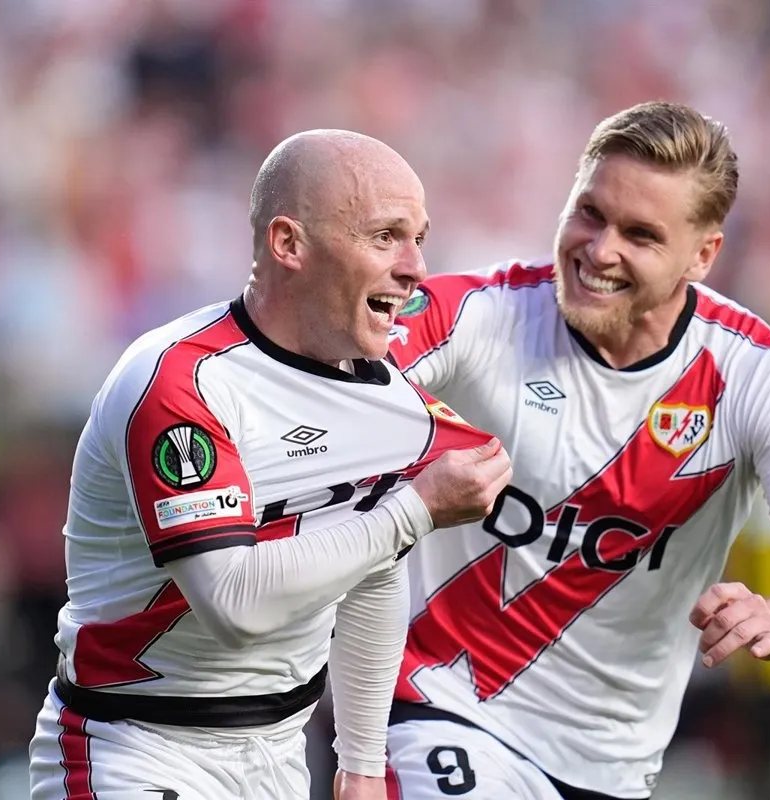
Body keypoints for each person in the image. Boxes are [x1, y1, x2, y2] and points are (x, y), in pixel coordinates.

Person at [381, 101, 770, 800]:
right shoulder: (480, 315)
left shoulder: (762, 378)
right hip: (440, 704)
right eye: (590, 213)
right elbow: (324, 384)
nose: (600, 250)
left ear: (703, 255)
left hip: (612, 766)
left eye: (640, 235)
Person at [27, 129, 513, 800]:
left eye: (418, 239)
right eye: (385, 237)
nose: (415, 267)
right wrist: (416, 509)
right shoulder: (183, 384)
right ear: (288, 244)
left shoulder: (389, 399)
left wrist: (362, 762)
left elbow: (374, 572)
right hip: (135, 746)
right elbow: (233, 604)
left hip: (281, 753)